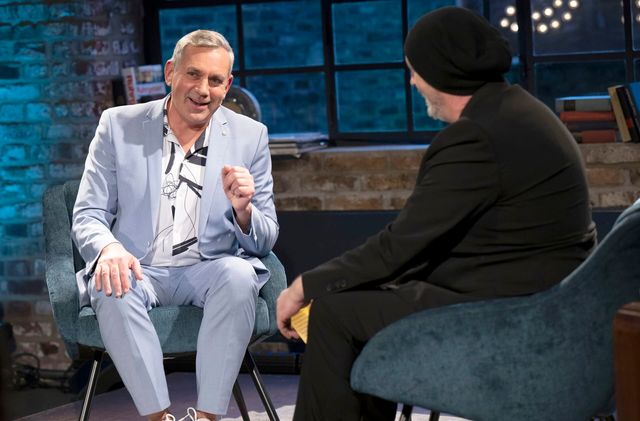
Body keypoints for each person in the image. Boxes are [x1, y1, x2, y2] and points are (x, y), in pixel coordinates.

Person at [276, 6, 596, 421]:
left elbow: (400, 245)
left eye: (414, 70)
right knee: (359, 299)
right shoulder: (517, 110)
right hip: (543, 295)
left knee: (334, 312)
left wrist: (304, 286)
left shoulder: (477, 136)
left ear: (440, 69)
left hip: (512, 310)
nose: (412, 82)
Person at [72, 30, 278, 421]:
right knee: (110, 282)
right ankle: (159, 418)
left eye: (215, 80)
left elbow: (265, 238)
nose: (203, 90)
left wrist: (244, 210)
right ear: (171, 72)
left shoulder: (250, 137)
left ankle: (207, 418)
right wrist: (109, 248)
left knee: (239, 275)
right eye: (193, 74)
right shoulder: (118, 125)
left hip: (208, 268)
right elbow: (87, 213)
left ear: (227, 85)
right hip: (138, 266)